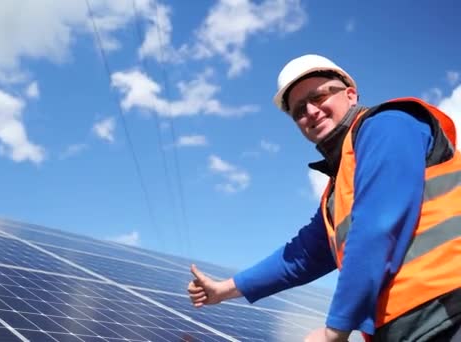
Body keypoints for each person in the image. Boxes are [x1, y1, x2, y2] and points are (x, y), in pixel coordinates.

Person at [188, 54, 461, 342]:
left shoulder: (387, 125)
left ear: (350, 94)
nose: (311, 111)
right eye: (299, 111)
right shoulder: (337, 189)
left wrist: (335, 331)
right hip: (412, 329)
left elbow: (378, 225)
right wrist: (225, 289)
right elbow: (302, 256)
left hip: (449, 310)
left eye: (318, 97)